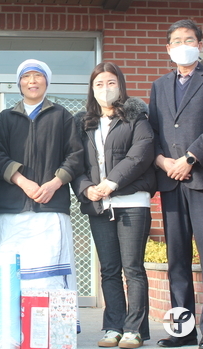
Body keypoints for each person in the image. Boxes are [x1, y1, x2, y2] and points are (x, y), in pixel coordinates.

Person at [148, 20, 203, 349]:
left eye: (189, 40)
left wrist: (190, 158)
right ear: (168, 48)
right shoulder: (159, 85)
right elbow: (153, 130)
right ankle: (183, 330)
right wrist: (162, 161)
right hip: (170, 182)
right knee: (177, 259)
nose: (183, 45)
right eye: (177, 41)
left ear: (200, 45)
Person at [73, 62, 156, 349]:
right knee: (109, 269)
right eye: (99, 84)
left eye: (111, 83)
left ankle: (134, 330)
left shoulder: (137, 118)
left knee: (132, 268)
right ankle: (113, 327)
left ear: (120, 85)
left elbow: (140, 154)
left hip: (132, 203)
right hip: (99, 205)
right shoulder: (83, 123)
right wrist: (86, 188)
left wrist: (112, 182)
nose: (105, 89)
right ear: (91, 89)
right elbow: (77, 162)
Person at [0, 59, 84, 292]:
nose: (32, 81)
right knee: (10, 278)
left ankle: (49, 317)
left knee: (49, 279)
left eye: (38, 76)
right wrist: (22, 181)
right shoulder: (4, 119)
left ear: (47, 82)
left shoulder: (62, 116)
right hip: (12, 211)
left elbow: (75, 155)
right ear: (19, 83)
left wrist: (54, 183)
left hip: (51, 210)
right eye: (26, 76)